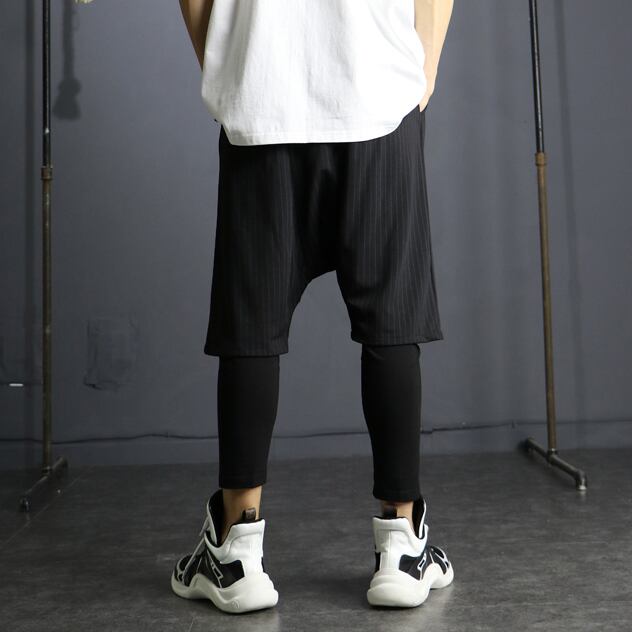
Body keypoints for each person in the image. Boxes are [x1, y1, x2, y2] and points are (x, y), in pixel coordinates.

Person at [175, 0, 454, 614]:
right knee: (391, 323)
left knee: (251, 325)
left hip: (263, 94)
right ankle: (401, 547)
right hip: (377, 91)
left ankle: (236, 553)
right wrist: (421, 71)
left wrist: (228, 67)